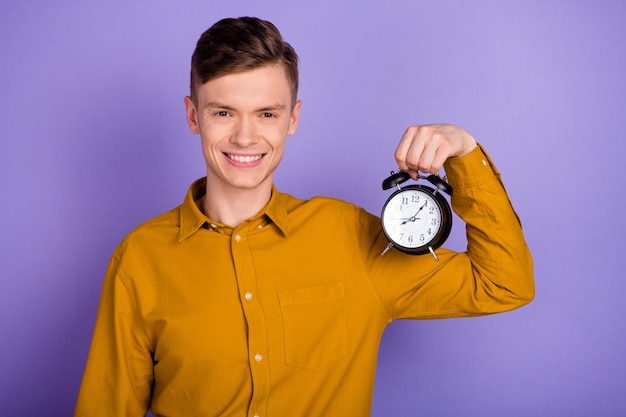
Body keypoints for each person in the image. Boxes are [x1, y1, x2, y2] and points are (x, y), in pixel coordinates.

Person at [75, 16, 534, 417]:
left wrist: (464, 151)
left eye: (267, 113)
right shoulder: (139, 257)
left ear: (292, 118)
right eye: (223, 112)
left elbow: (504, 284)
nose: (245, 136)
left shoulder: (354, 238)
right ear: (193, 116)